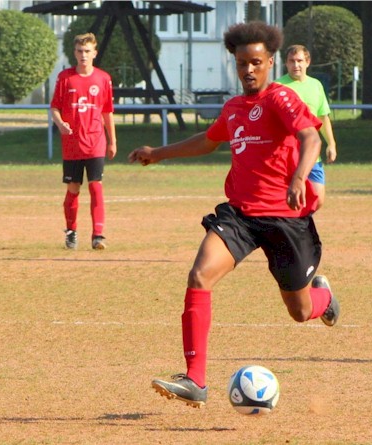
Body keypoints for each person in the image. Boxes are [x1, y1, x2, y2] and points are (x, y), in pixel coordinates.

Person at [128, 22, 339, 409]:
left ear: (270, 62)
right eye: (242, 63)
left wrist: (298, 177)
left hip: (286, 219)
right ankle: (195, 379)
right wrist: (157, 153)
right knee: (200, 275)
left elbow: (311, 137)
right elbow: (207, 142)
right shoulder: (235, 108)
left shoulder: (282, 99)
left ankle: (324, 299)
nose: (248, 71)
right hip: (240, 215)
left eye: (256, 62)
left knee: (301, 310)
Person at [50, 32, 117, 250]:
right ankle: (71, 231)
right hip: (72, 144)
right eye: (80, 51)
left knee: (96, 186)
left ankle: (98, 235)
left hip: (95, 141)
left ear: (95, 53)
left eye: (87, 51)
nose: (83, 55)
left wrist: (112, 141)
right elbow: (55, 108)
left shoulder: (103, 79)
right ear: (74, 53)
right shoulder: (65, 78)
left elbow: (107, 112)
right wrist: (60, 124)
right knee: (73, 188)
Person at [275, 44, 337, 210]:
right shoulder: (278, 87)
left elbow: (323, 116)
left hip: (312, 153)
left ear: (307, 62)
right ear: (286, 64)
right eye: (291, 61)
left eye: (299, 61)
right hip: (288, 156)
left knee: (317, 198)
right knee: (291, 198)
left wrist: (331, 143)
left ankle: (298, 226)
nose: (296, 65)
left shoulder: (316, 85)